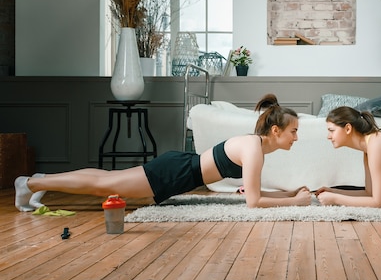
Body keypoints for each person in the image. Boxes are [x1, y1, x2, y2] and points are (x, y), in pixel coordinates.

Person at [15, 94, 313, 211]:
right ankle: (30, 183)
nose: (296, 137)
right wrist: (295, 202)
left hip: (178, 172)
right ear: (276, 131)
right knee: (103, 185)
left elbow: (252, 192)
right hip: (175, 172)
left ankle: (40, 179)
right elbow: (253, 201)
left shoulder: (257, 147)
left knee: (106, 179)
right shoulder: (254, 149)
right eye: (293, 131)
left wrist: (289, 196)